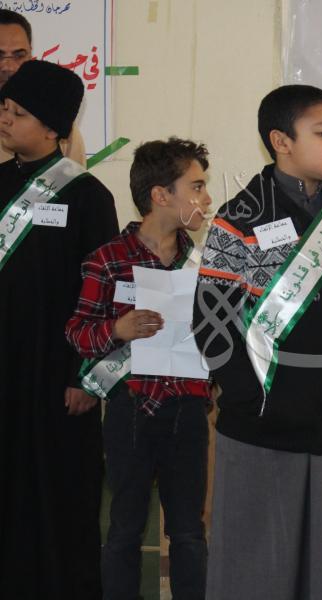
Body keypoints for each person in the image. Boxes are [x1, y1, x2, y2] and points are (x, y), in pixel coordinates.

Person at [192, 84, 322, 600]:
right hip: (262, 433)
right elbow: (211, 322)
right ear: (281, 141)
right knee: (257, 574)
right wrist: (250, 398)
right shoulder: (239, 219)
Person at [65, 138, 213, 599]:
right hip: (131, 409)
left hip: (189, 409)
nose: (207, 198)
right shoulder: (108, 259)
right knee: (125, 528)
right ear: (160, 195)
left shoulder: (205, 263)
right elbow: (77, 332)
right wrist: (118, 329)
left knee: (189, 532)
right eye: (196, 187)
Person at [0, 60, 118, 599]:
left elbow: (108, 296)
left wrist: (87, 376)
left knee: (59, 492)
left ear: (52, 128)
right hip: (5, 370)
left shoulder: (89, 196)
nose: (5, 119)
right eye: (4, 108)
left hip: (58, 377)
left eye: (19, 113)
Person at [0, 9, 86, 164]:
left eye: (19, 55)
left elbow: (72, 177)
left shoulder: (52, 118)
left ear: (30, 55)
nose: (8, 67)